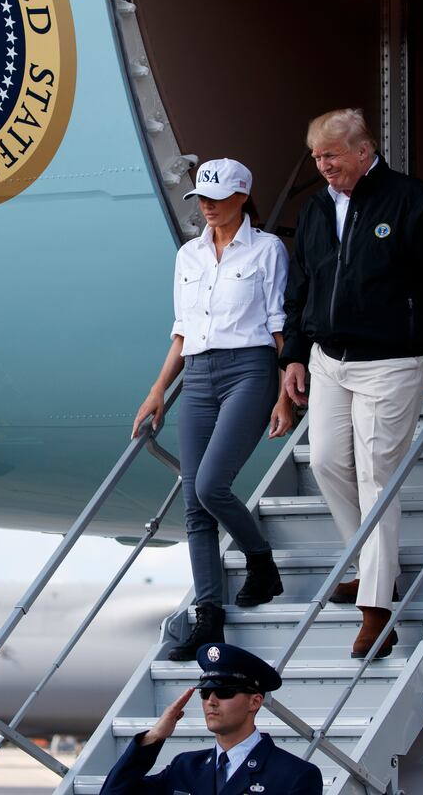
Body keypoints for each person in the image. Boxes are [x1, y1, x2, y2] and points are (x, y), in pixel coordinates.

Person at [280, 109, 423, 660]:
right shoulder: (317, 210)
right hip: (329, 358)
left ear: (364, 149)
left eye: (333, 155)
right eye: (318, 157)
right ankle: (375, 566)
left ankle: (377, 608)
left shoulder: (412, 202)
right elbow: (301, 286)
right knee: (325, 460)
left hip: (392, 360)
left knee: (378, 472)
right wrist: (295, 355)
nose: (324, 167)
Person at [134, 158, 294, 663]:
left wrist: (284, 394)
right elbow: (182, 329)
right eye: (200, 199)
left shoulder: (268, 249)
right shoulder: (189, 255)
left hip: (250, 369)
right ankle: (209, 616)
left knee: (210, 485)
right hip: (197, 375)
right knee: (192, 502)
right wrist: (160, 387)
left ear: (242, 197)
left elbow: (277, 322)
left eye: (216, 198)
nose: (206, 207)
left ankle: (260, 561)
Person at [98, 642, 322, 794]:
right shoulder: (185, 766)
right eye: (205, 693)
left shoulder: (295, 775)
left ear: (255, 702)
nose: (211, 701)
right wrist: (153, 737)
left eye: (224, 692)